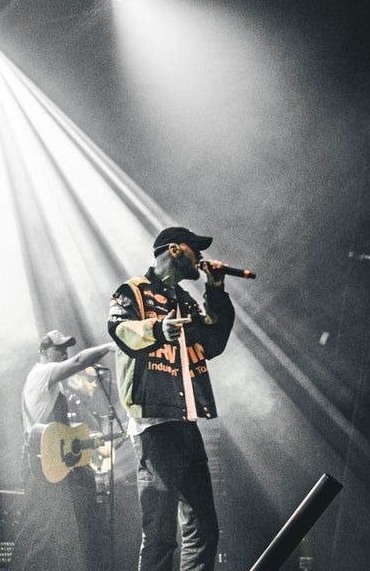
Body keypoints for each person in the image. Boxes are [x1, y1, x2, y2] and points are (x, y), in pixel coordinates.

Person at [107, 227, 236, 571]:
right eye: (196, 250)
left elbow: (212, 343)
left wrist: (216, 290)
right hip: (154, 423)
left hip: (186, 420)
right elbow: (120, 329)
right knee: (161, 534)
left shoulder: (185, 300)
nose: (201, 258)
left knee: (203, 528)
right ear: (176, 250)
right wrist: (157, 329)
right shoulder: (133, 291)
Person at [12, 330, 115, 571]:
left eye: (65, 348)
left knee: (59, 534)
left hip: (51, 465)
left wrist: (86, 442)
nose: (64, 353)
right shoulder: (42, 372)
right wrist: (107, 347)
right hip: (41, 466)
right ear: (42, 351)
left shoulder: (54, 385)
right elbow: (78, 361)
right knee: (38, 534)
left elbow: (59, 436)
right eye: (58, 348)